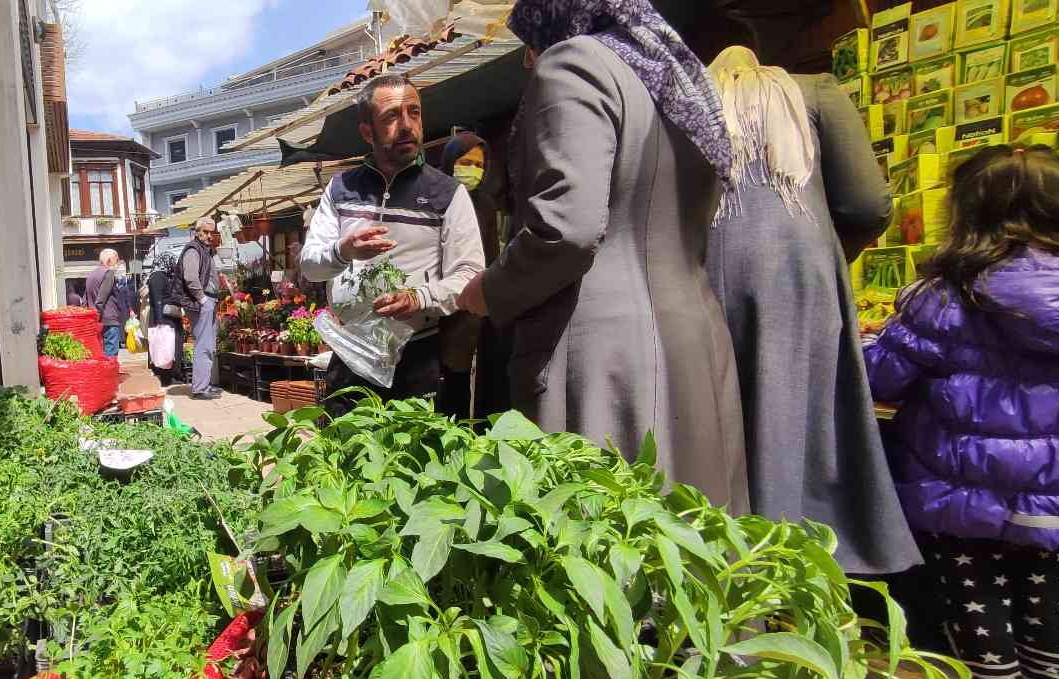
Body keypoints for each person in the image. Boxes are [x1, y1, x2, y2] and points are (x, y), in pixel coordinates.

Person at [458, 0, 749, 511]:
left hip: (604, 356)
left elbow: (565, 231)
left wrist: (489, 290)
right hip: (694, 340)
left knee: (605, 549)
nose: (530, 61)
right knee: (693, 545)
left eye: (529, 43)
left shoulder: (574, 63)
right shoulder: (674, 80)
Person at [865, 146, 1059, 679]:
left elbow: (881, 375)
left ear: (968, 212)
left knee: (976, 606)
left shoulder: (945, 297)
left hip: (957, 495)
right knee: (1048, 601)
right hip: (1058, 494)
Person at [704, 47, 921, 576]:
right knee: (800, 415)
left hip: (699, 272)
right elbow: (869, 205)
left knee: (713, 418)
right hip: (800, 278)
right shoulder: (817, 91)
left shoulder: (685, 101)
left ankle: (722, 560)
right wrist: (827, 253)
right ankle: (801, 559)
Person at [301, 74, 486, 418]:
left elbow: (471, 273)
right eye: (391, 116)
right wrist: (343, 250)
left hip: (419, 357)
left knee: (420, 464)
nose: (406, 126)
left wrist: (419, 297)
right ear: (367, 132)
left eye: (413, 113)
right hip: (351, 357)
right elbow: (311, 264)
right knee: (348, 463)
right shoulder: (341, 189)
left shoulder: (446, 194)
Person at [433, 131, 495, 420]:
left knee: (462, 391)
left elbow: (491, 257)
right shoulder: (432, 198)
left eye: (479, 165)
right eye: (466, 161)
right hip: (432, 310)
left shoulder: (485, 205)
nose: (473, 170)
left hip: (471, 316)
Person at [174, 218, 224, 400]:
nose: (209, 236)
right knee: (204, 344)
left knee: (208, 344)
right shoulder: (193, 250)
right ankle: (200, 388)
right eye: (206, 232)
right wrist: (203, 300)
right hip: (201, 303)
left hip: (207, 301)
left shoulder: (204, 250)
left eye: (212, 232)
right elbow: (190, 278)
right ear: (197, 232)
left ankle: (204, 385)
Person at [146, 252, 184, 386]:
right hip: (164, 320)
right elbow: (157, 300)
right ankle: (165, 378)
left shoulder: (161, 276)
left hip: (166, 319)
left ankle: (167, 376)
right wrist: (160, 321)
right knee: (164, 348)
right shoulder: (157, 277)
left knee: (166, 348)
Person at [83, 248, 126, 357]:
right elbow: (101, 298)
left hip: (96, 320)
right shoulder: (108, 273)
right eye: (116, 261)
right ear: (108, 260)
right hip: (108, 320)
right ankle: (109, 373)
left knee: (100, 353)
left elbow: (85, 300)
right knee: (110, 355)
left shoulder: (91, 274)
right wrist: (97, 316)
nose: (117, 264)